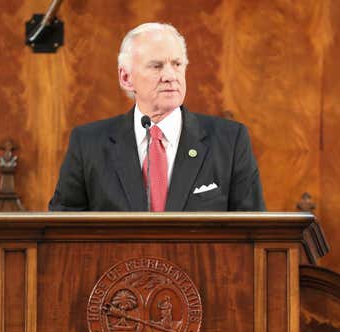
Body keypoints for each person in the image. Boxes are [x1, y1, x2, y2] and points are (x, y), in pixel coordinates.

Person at [49, 22, 265, 212]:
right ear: (126, 77)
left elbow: (254, 231)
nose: (170, 76)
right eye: (157, 66)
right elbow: (62, 229)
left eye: (177, 64)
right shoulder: (88, 144)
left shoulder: (230, 140)